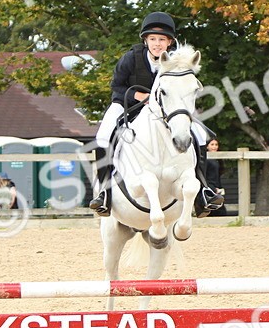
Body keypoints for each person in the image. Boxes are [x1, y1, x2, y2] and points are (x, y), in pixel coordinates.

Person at [88, 11, 224, 217]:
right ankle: (104, 193)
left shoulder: (177, 61)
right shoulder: (131, 58)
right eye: (153, 39)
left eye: (162, 39)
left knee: (199, 134)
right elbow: (116, 85)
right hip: (127, 105)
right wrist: (139, 95)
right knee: (103, 135)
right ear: (146, 40)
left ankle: (202, 192)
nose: (157, 43)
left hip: (166, 109)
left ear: (170, 42)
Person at [203, 138, 229, 217]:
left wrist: (219, 188)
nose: (214, 147)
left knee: (219, 212)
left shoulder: (217, 159)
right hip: (209, 189)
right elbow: (204, 176)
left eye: (216, 145)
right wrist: (213, 188)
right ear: (207, 147)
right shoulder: (205, 160)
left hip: (217, 190)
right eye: (212, 145)